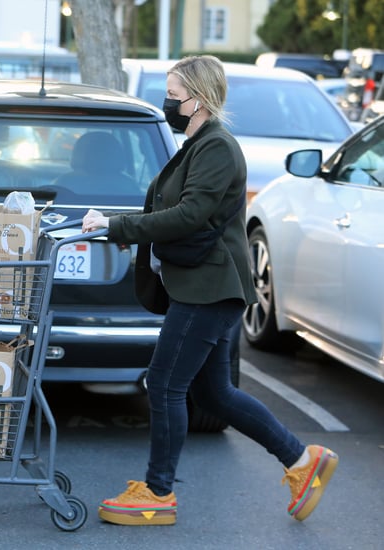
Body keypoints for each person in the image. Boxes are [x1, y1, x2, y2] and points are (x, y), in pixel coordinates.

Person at [81, 55, 338, 527]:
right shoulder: (199, 144)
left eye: (174, 94)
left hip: (209, 288)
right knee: (215, 393)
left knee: (164, 383)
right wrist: (120, 224)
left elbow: (190, 215)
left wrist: (119, 226)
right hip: (206, 284)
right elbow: (178, 208)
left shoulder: (217, 147)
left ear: (197, 100)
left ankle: (158, 492)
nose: (168, 102)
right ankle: (302, 462)